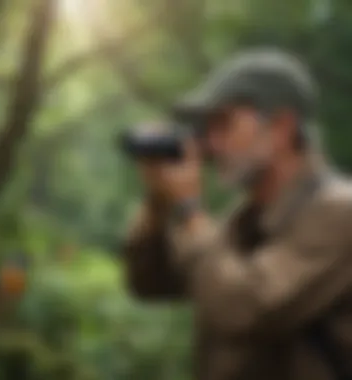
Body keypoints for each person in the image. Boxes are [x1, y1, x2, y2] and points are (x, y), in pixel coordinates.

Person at [122, 48, 352, 380]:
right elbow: (149, 282)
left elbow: (244, 308)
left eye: (223, 123)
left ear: (281, 128)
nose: (210, 143)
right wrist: (159, 204)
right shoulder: (241, 223)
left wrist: (189, 209)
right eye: (207, 127)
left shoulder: (339, 214)